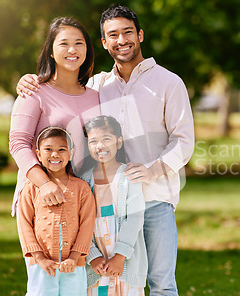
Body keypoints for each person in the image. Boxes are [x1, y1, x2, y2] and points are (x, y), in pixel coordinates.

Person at [17, 5, 195, 295]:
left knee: (162, 284)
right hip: (108, 204)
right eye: (113, 35)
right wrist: (29, 79)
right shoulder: (98, 85)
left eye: (128, 32)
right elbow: (62, 85)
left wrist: (153, 171)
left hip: (154, 199)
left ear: (140, 34)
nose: (121, 40)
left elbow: (184, 140)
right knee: (107, 283)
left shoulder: (168, 82)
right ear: (103, 42)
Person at [9, 16, 100, 217]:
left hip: (84, 198)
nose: (72, 50)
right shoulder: (34, 91)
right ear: (51, 50)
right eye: (64, 44)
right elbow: (18, 143)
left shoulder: (95, 96)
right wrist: (44, 184)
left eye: (79, 43)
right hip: (42, 196)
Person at [17, 127, 96, 295]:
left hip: (73, 264)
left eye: (62, 149)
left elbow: (87, 224)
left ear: (71, 153)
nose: (55, 154)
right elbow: (24, 224)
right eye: (48, 149)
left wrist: (74, 257)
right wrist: (39, 258)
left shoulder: (81, 188)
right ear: (38, 154)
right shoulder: (31, 189)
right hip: (41, 265)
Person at [81, 115, 147, 296]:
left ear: (119, 143)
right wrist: (92, 257)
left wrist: (120, 256)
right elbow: (80, 224)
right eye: (93, 141)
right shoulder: (83, 181)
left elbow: (135, 217)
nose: (99, 146)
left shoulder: (129, 177)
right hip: (97, 266)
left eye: (106, 139)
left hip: (125, 263)